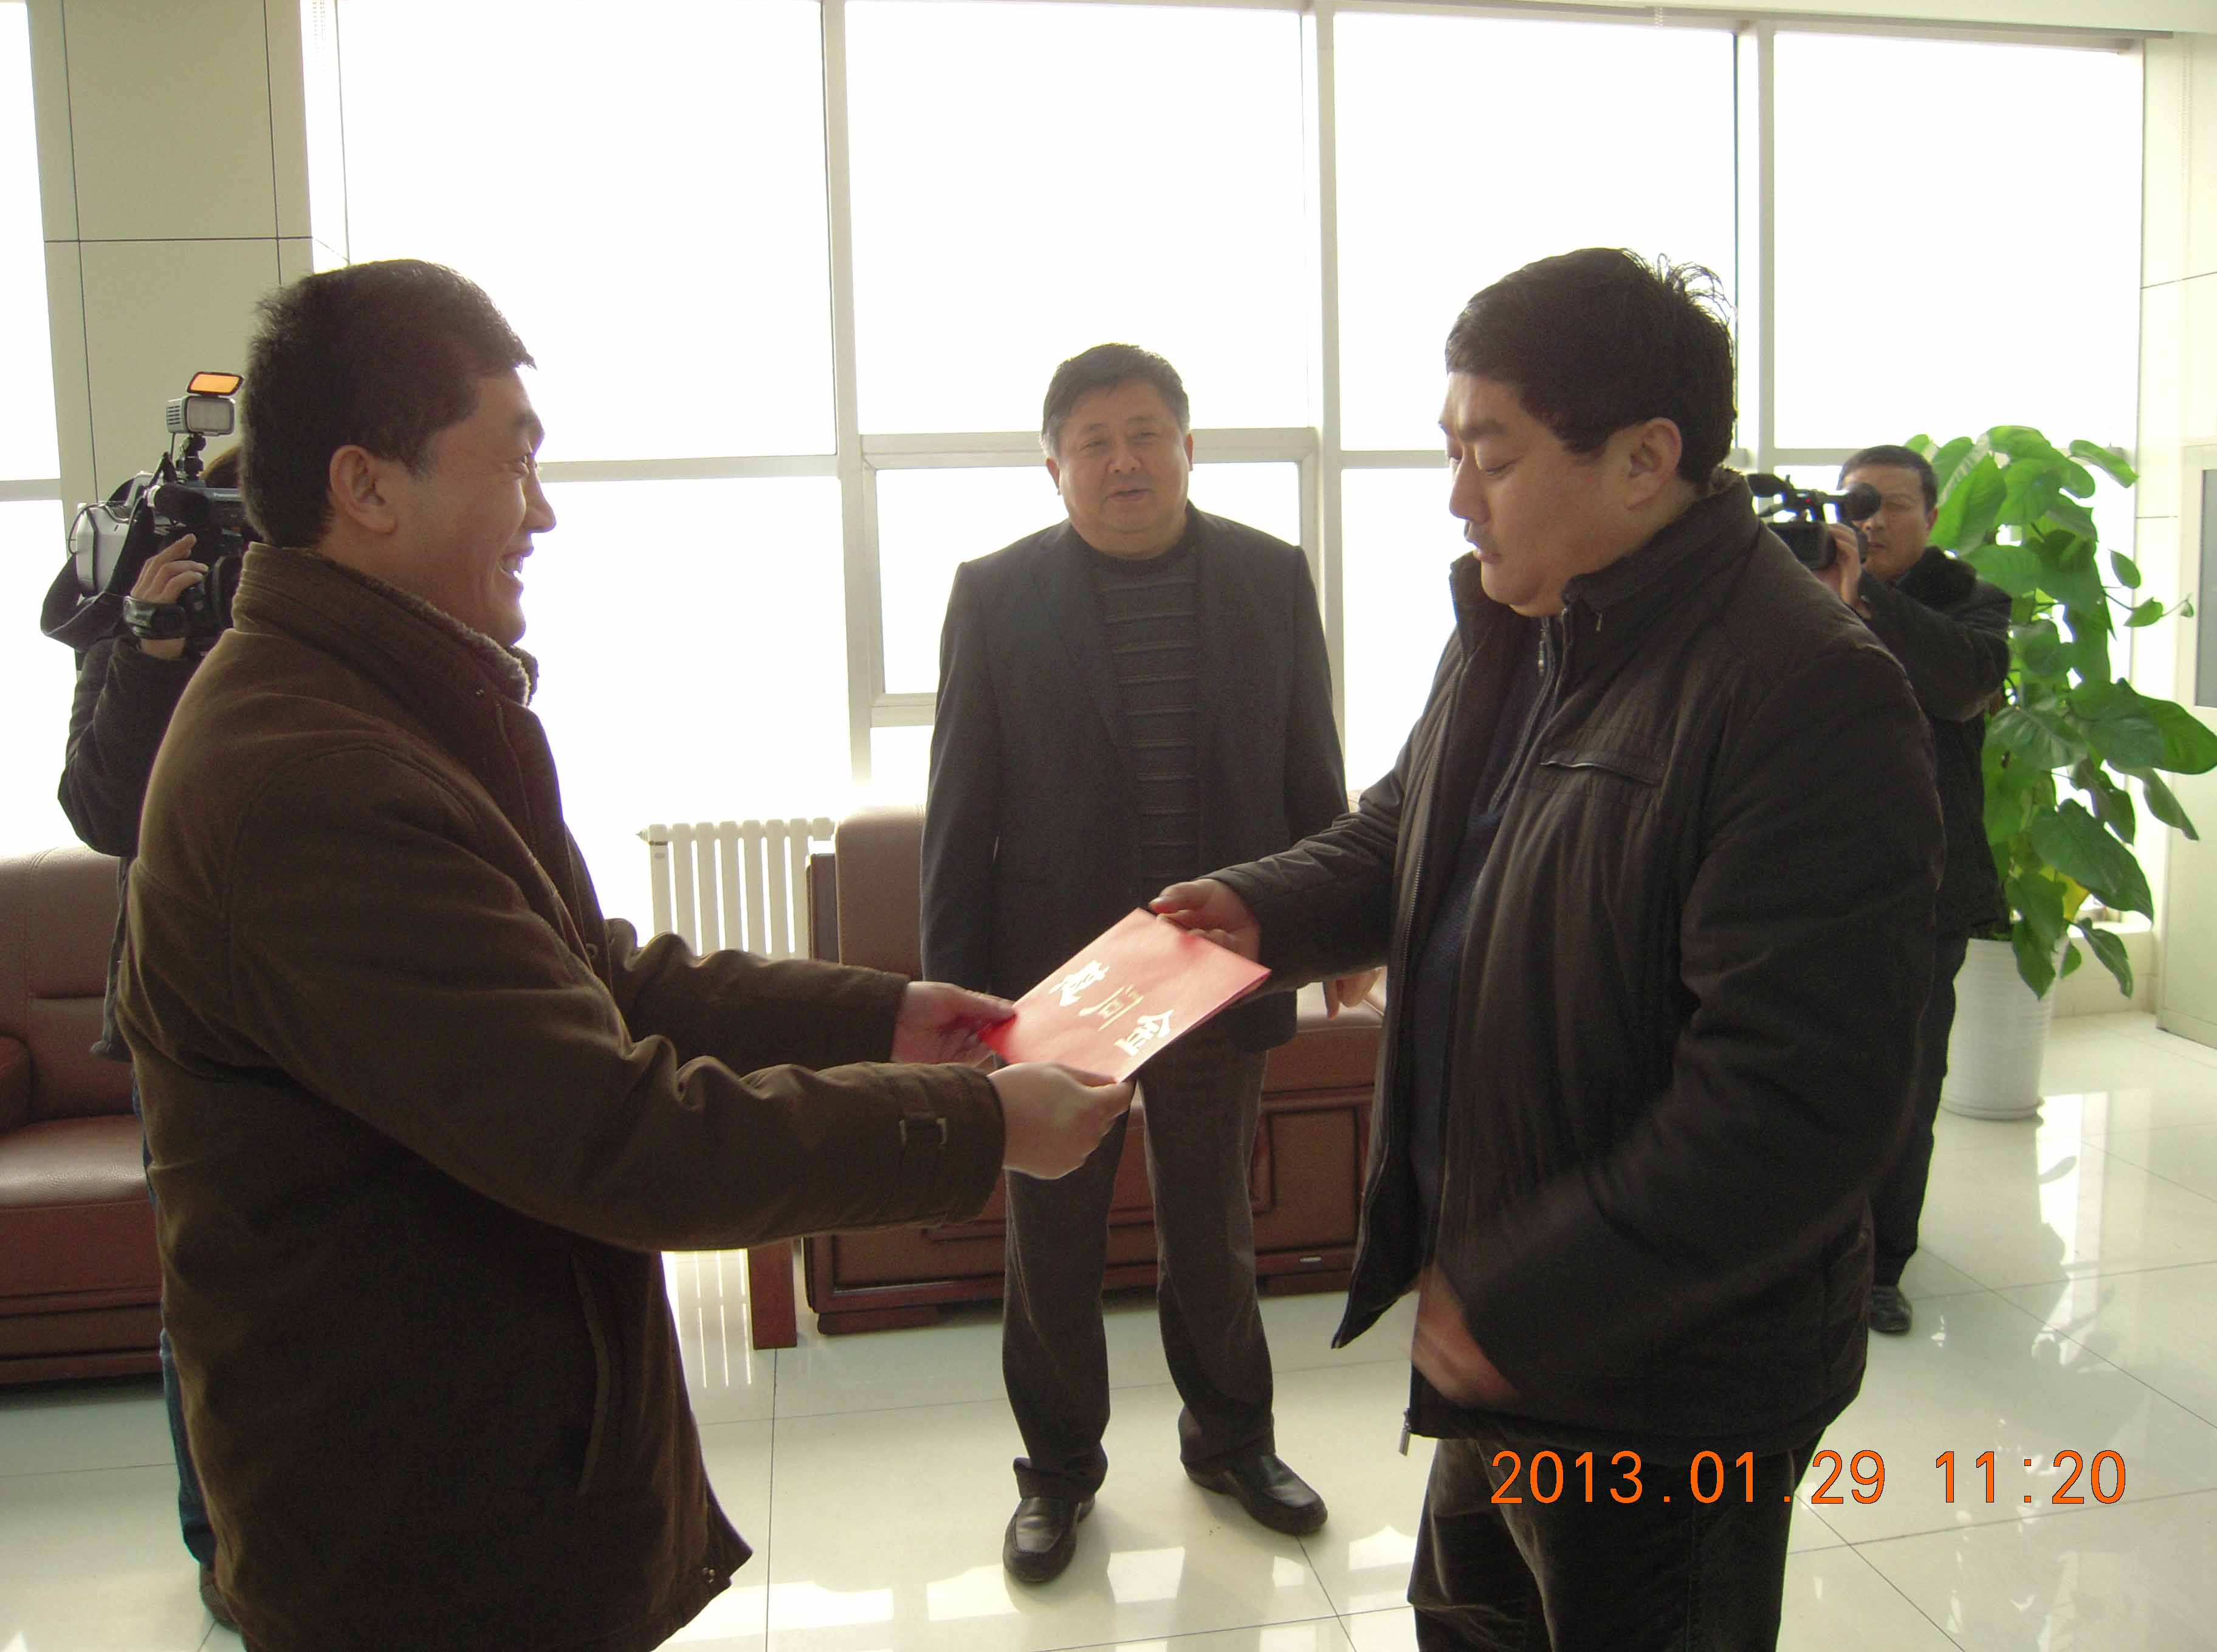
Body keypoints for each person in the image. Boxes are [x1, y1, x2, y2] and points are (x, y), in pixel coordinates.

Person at [115, 258, 1132, 1652]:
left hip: (492, 1464)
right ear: (368, 487)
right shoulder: (307, 780)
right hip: (420, 1538)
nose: (541, 511)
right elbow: (612, 1134)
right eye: (514, 460)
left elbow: (594, 975)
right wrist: (979, 1124)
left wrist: (883, 1016)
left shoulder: (386, 708)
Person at [1153, 248, 1944, 1650]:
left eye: (1495, 456)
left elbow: (1796, 1104)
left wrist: (1521, 1295)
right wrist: (1258, 909)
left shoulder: (1806, 692)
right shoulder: (1519, 619)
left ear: (1645, 460)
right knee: (1474, 1621)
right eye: (1452, 449)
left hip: (1664, 1374)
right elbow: (1408, 828)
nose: (1459, 496)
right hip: (1509, 1329)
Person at [921, 343, 1352, 1583]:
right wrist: (960, 1000)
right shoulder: (996, 595)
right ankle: (1058, 1473)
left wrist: (1334, 932)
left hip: (1218, 963)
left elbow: (1311, 770)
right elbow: (960, 811)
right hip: (1061, 982)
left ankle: (1232, 1442)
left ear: (1188, 447)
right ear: (1055, 466)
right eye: (1096, 442)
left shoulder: (1270, 576)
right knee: (1052, 1238)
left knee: (1214, 1227)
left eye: (1147, 433)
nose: (1125, 461)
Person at [54, 444, 239, 1629]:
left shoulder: (331, 623)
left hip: (325, 982)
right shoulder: (136, 623)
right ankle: (219, 1541)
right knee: (205, 1285)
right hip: (183, 1004)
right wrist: (150, 644)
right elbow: (103, 810)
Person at [1826, 443, 2012, 1335]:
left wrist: (1862, 591)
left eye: (1893, 504)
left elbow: (1962, 683)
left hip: (1926, 883)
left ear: (1932, 518)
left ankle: (1882, 1265)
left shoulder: (1970, 599)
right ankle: (1806, 1243)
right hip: (1817, 878)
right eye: (1857, 503)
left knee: (1907, 1081)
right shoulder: (1804, 589)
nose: (1872, 519)